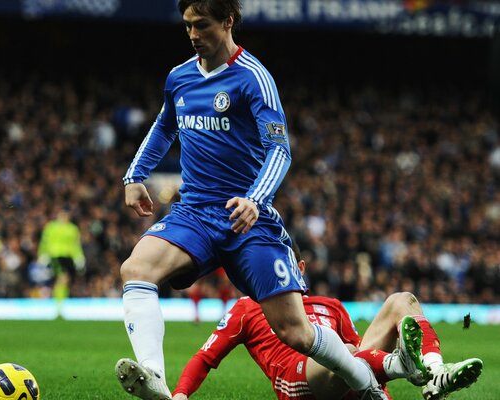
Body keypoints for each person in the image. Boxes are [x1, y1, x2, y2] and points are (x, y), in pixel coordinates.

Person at [115, 1, 387, 399]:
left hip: (249, 220)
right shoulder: (179, 78)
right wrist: (134, 176)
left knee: (295, 331)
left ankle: (366, 388)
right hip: (194, 213)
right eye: (187, 26)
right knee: (135, 269)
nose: (193, 35)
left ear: (228, 22)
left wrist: (255, 200)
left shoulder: (253, 78)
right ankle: (154, 376)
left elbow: (280, 151)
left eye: (202, 25)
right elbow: (163, 127)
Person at [171, 264, 483, 400]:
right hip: (297, 382)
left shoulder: (331, 305)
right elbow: (205, 357)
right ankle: (405, 366)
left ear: (300, 268)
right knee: (343, 351)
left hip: (345, 375)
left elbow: (363, 359)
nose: (277, 273)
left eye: (284, 265)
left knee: (401, 301)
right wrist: (181, 393)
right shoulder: (247, 306)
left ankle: (433, 374)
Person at [37, 207, 85, 300]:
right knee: (62, 278)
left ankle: (60, 302)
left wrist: (78, 257)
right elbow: (45, 242)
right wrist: (43, 254)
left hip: (67, 257)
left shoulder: (72, 229)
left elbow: (75, 245)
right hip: (55, 256)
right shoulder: (51, 227)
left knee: (65, 280)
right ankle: (59, 303)